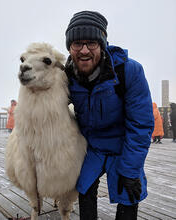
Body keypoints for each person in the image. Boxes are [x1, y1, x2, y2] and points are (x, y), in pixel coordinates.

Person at [64, 11, 154, 220]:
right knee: (84, 189)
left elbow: (140, 125)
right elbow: (50, 108)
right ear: (69, 47)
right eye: (77, 43)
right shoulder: (66, 77)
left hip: (124, 145)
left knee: (128, 193)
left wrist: (131, 169)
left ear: (102, 44)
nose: (84, 50)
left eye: (92, 43)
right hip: (93, 147)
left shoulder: (128, 71)